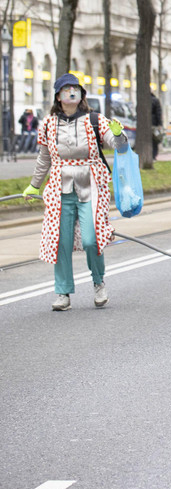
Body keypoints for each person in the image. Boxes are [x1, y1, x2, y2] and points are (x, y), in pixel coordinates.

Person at [22, 73, 126, 311]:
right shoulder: (48, 124)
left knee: (92, 239)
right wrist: (35, 184)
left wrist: (118, 134)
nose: (71, 92)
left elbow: (120, 147)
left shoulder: (95, 120)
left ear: (81, 95)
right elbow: (44, 158)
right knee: (61, 241)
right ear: (58, 96)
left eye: (75, 88)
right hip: (60, 187)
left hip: (91, 185)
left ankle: (99, 282)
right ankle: (63, 292)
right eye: (66, 89)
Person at [151, 92, 163, 158]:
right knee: (155, 140)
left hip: (144, 126)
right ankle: (154, 155)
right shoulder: (155, 100)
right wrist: (160, 124)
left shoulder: (142, 100)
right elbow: (158, 113)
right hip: (154, 124)